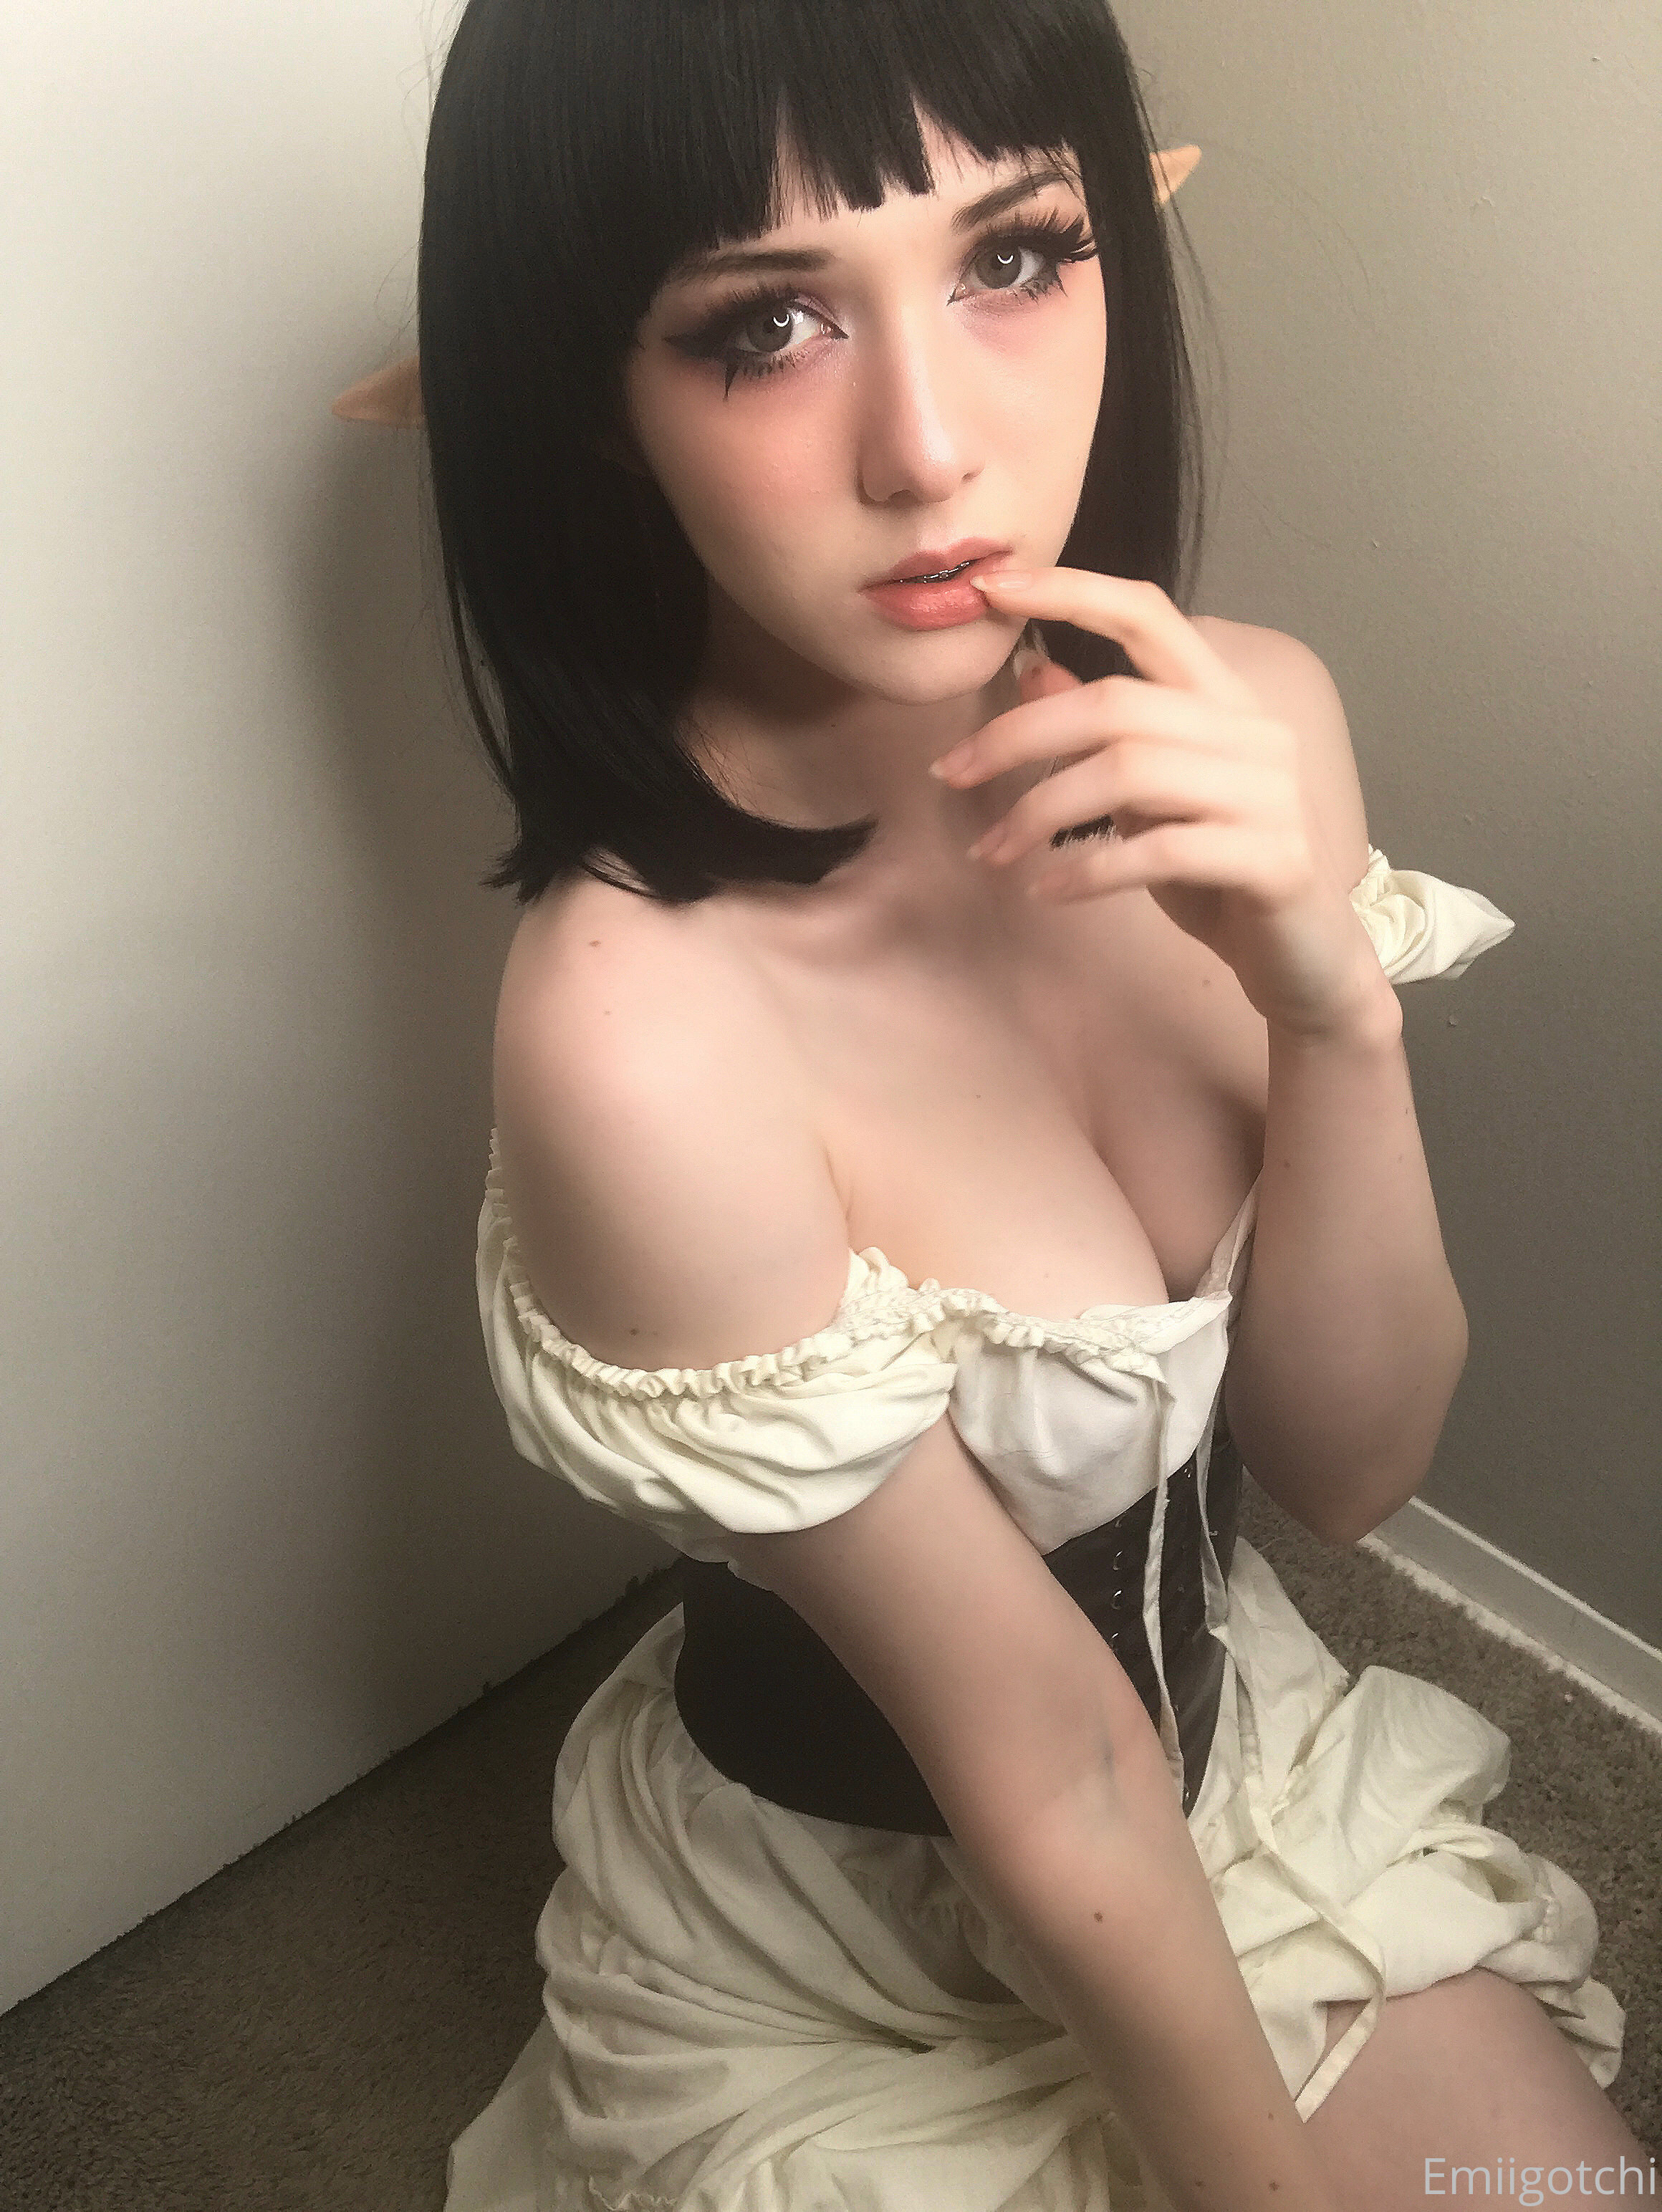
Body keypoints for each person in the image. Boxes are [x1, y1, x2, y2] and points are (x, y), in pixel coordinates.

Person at [337, 1, 1638, 2203]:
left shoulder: (1255, 725)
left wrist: (1328, 1004)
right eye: (766, 326)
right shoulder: (635, 1030)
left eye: (1014, 256)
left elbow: (1351, 1472)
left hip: (1221, 1776)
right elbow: (1046, 1773)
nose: (935, 449)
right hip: (853, 1931)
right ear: (593, 402)